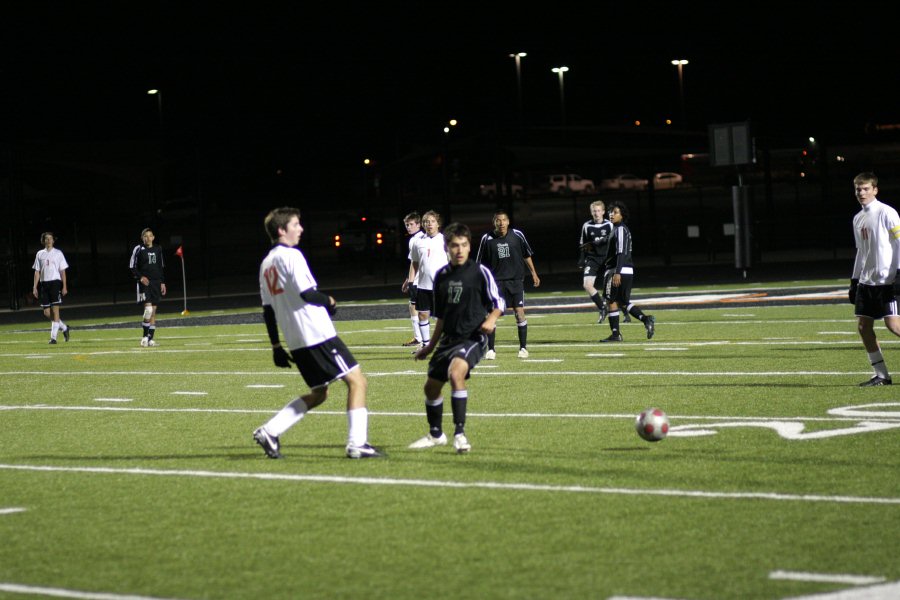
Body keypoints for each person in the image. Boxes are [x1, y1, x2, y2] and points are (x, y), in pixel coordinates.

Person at [253, 206, 382, 459]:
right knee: (357, 381)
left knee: (320, 393)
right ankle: (357, 444)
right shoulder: (292, 256)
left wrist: (276, 346)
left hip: (296, 339)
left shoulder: (266, 263)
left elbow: (267, 310)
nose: (300, 229)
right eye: (295, 225)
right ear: (281, 230)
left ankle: (270, 430)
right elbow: (307, 293)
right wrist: (330, 301)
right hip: (316, 334)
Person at [410, 222, 504, 454]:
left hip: (473, 337)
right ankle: (435, 435)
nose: (459, 250)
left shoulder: (479, 272)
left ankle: (459, 434)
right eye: (454, 246)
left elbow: (498, 303)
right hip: (448, 340)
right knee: (431, 388)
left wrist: (491, 320)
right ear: (447, 248)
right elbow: (440, 317)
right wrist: (429, 347)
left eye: (463, 245)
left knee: (455, 373)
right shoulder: (441, 276)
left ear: (469, 247)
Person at [849, 172, 900, 386]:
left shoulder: (887, 212)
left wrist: (898, 273)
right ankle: (882, 375)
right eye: (858, 189)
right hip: (866, 283)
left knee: (894, 326)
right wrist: (854, 280)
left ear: (875, 190)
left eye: (866, 188)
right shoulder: (858, 218)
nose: (861, 192)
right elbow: (861, 252)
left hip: (886, 282)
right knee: (863, 327)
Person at [475, 209, 540, 359]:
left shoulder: (517, 235)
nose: (501, 223)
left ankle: (523, 348)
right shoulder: (487, 238)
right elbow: (480, 263)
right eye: (498, 220)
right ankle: (491, 350)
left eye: (504, 220)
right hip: (495, 283)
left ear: (508, 222)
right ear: (494, 223)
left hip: (516, 281)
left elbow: (526, 255)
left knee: (519, 313)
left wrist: (534, 273)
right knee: (492, 315)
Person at [599, 201, 655, 342]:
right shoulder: (616, 229)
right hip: (624, 269)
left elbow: (621, 252)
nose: (611, 214)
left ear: (622, 215)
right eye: (610, 212)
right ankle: (645, 319)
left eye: (615, 212)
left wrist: (617, 272)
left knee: (611, 300)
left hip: (618, 270)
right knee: (622, 301)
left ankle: (616, 334)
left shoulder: (620, 229)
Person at [578, 200, 628, 324]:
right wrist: (582, 258)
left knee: (612, 290)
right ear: (591, 212)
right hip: (593, 259)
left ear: (603, 212)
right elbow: (584, 244)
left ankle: (626, 312)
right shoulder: (587, 226)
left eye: (599, 211)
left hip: (607, 259)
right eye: (594, 211)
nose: (597, 213)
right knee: (587, 284)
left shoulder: (610, 224)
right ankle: (602, 308)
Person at [408, 210, 449, 349]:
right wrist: (411, 281)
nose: (429, 224)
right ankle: (426, 345)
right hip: (423, 285)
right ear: (423, 225)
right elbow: (414, 262)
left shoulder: (445, 239)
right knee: (422, 315)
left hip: (441, 286)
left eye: (432, 221)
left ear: (438, 224)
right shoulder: (417, 242)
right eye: (426, 222)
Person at [129, 228, 166, 347]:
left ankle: (150, 339)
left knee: (153, 313)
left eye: (150, 236)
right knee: (148, 310)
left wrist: (162, 282)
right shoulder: (138, 249)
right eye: (145, 236)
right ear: (142, 238)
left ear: (153, 237)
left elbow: (161, 267)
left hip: (156, 283)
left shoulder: (158, 249)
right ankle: (144, 336)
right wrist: (140, 277)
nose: (148, 238)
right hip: (145, 284)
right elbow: (132, 267)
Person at [32, 232, 71, 344]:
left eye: (50, 239)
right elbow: (37, 272)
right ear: (43, 241)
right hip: (44, 284)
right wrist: (34, 287)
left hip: (55, 283)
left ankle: (53, 338)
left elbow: (62, 271)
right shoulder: (40, 254)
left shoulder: (58, 253)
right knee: (47, 312)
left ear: (53, 241)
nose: (48, 240)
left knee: (55, 311)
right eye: (46, 239)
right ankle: (64, 328)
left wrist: (64, 286)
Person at [401, 211, 427, 347]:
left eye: (411, 224)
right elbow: (414, 263)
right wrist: (408, 279)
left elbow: (416, 263)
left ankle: (421, 338)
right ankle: (420, 338)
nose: (408, 227)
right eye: (406, 225)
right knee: (414, 307)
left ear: (418, 224)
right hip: (420, 279)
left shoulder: (416, 240)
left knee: (418, 308)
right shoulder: (423, 238)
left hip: (420, 281)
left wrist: (410, 280)